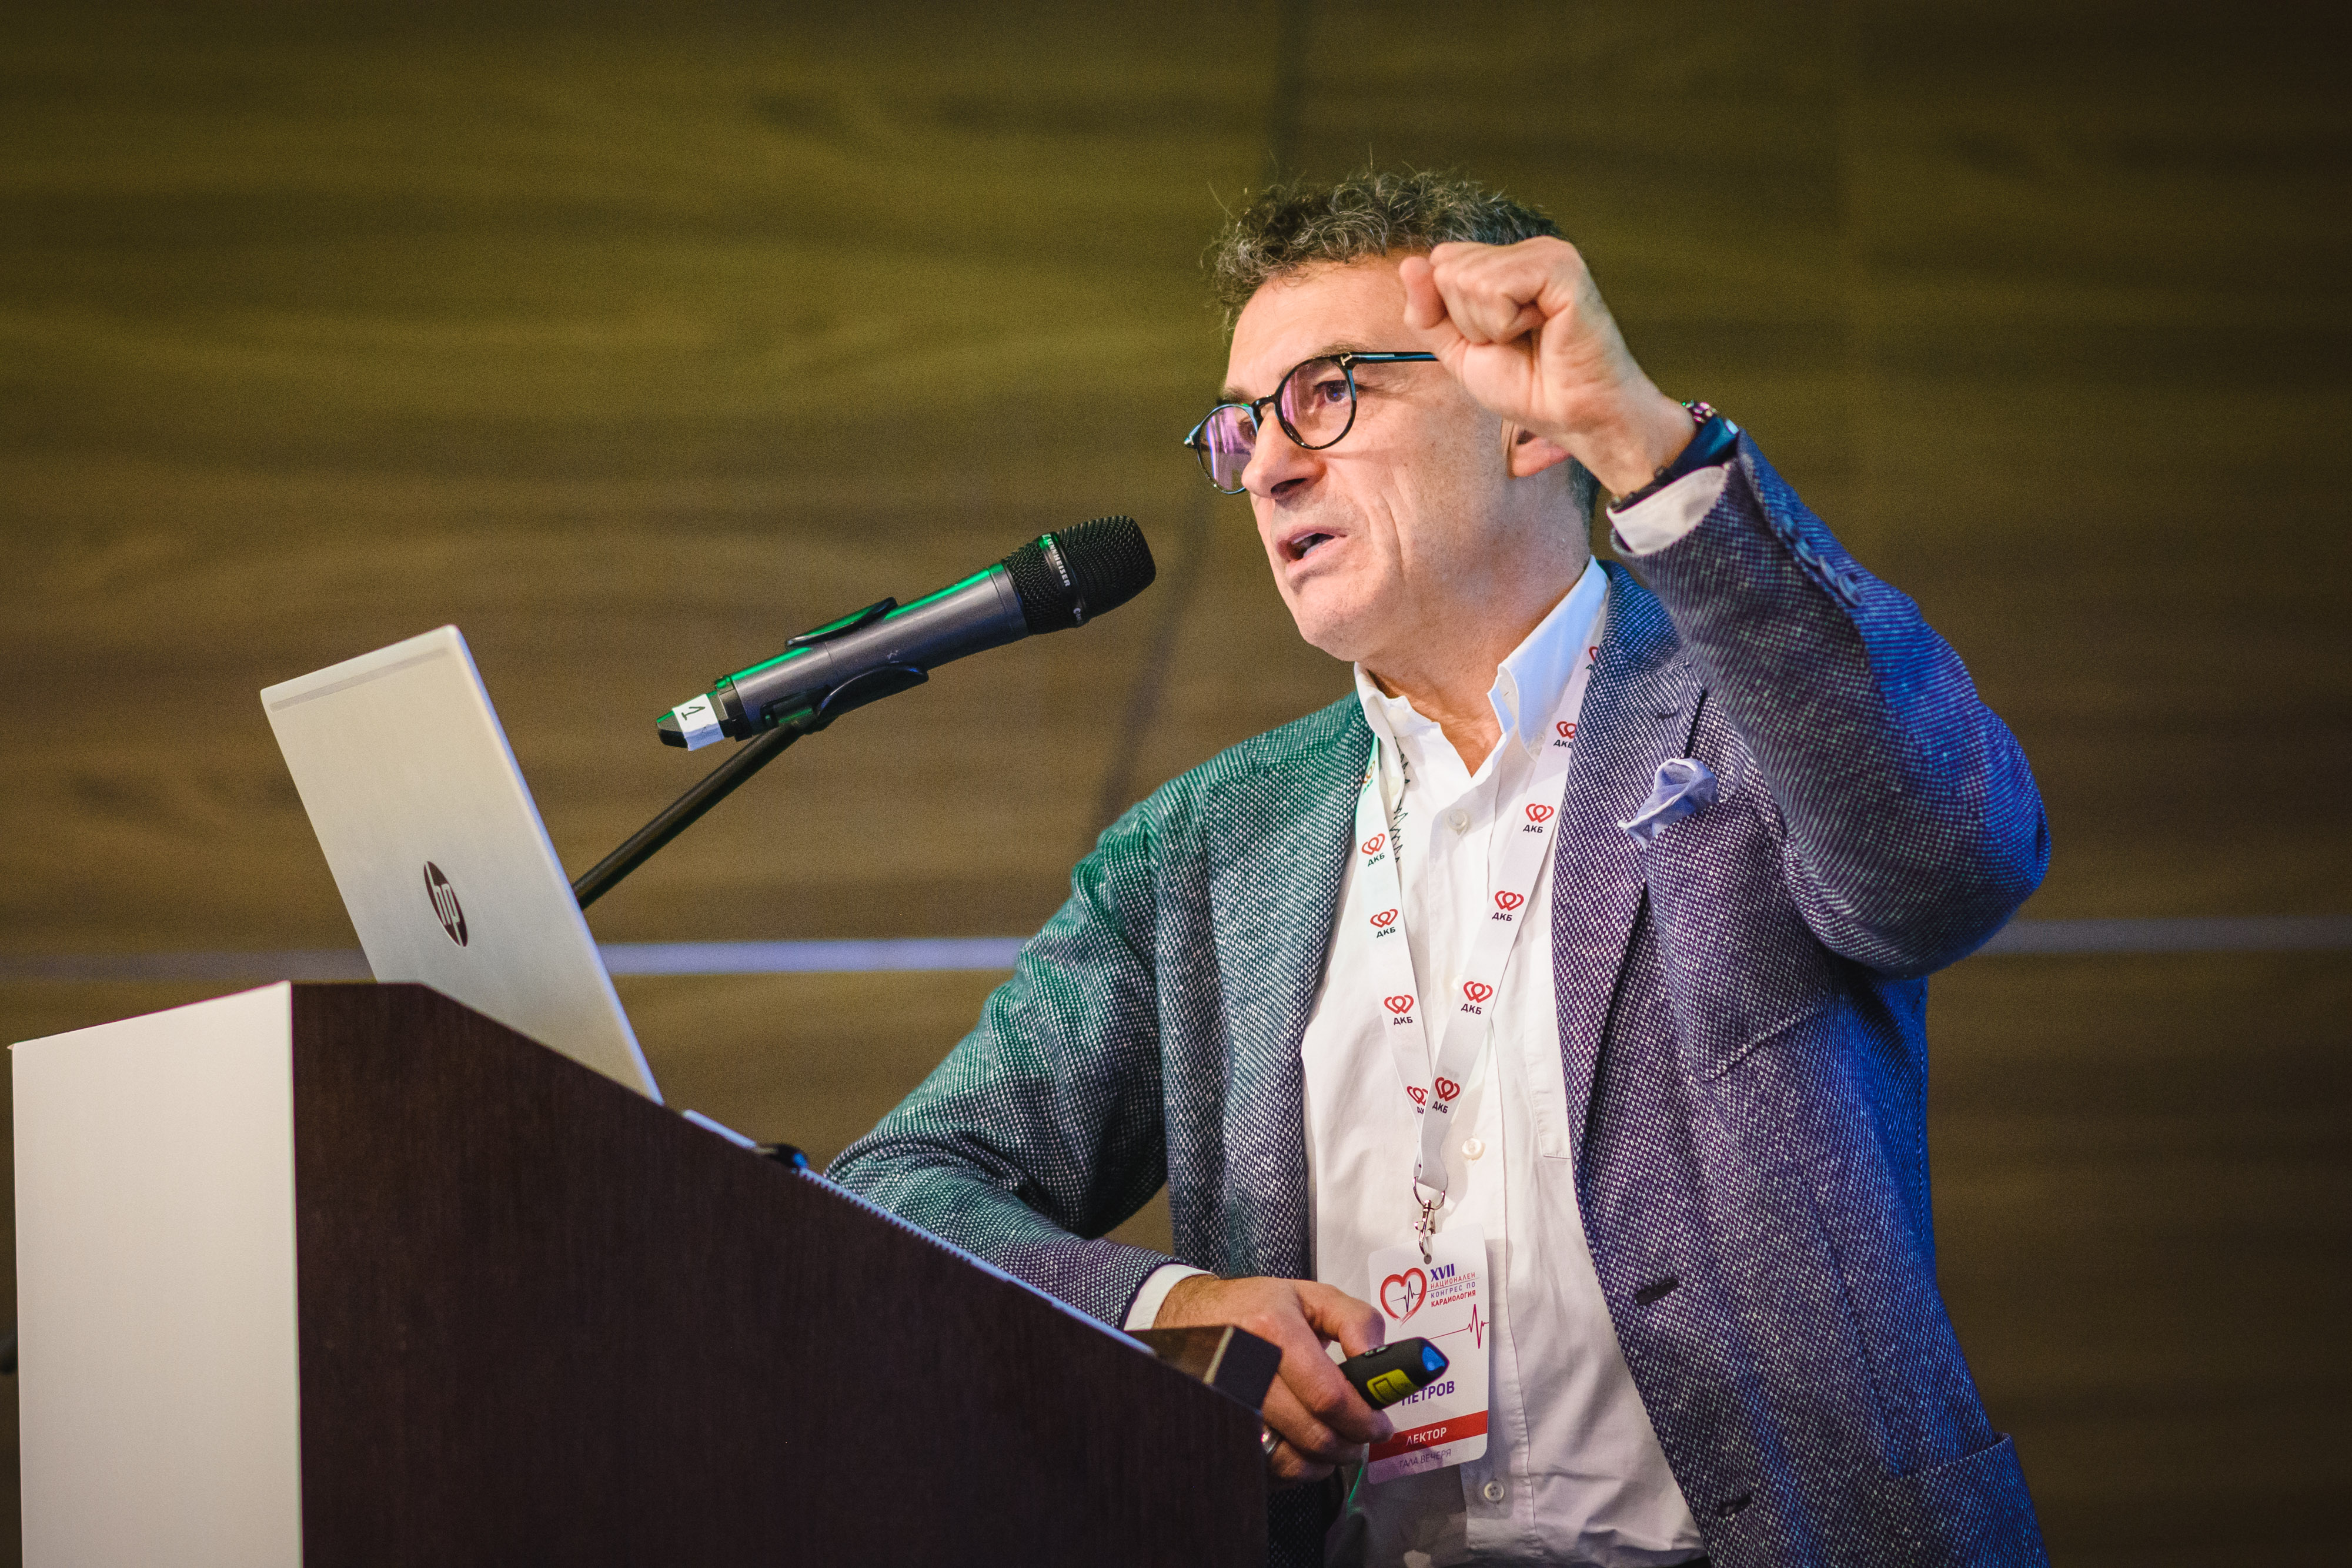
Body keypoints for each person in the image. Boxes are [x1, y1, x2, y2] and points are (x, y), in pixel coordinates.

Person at [830, 169, 2051, 1567]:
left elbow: (1949, 861)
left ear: (1525, 421)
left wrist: (1641, 442)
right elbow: (895, 1186)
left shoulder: (1749, 714)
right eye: (1241, 425)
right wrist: (1169, 1305)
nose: (1268, 467)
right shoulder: (1203, 850)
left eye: (1326, 394)